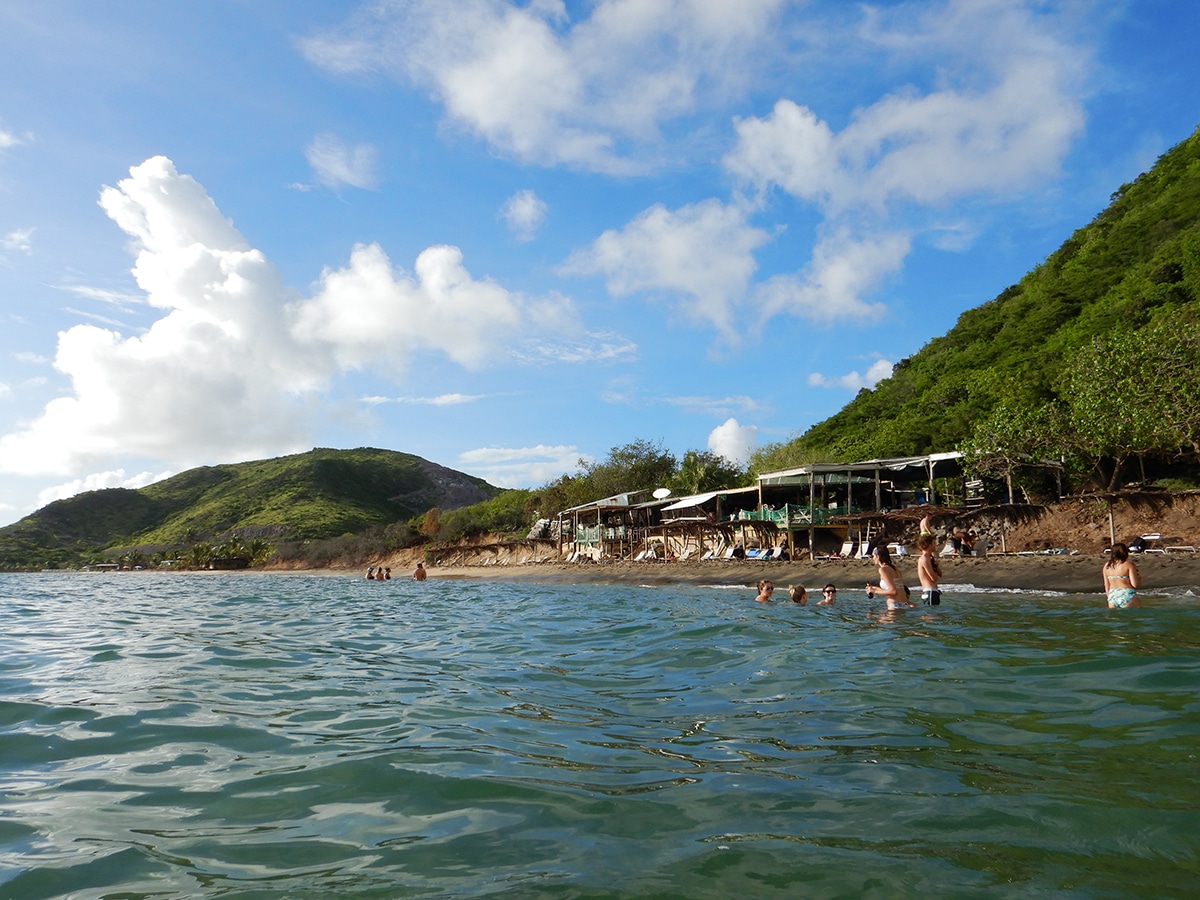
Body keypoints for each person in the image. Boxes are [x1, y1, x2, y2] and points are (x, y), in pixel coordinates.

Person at [866, 545, 913, 609]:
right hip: (905, 604)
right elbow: (896, 588)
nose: (873, 558)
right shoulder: (896, 569)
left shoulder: (883, 569)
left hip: (895, 604)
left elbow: (893, 591)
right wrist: (874, 589)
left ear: (878, 556)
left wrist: (875, 591)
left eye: (873, 556)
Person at [1102, 543, 1140, 608]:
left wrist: (1110, 598)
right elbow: (1135, 584)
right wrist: (1139, 578)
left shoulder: (1106, 566)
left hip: (1112, 595)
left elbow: (1106, 584)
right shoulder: (1128, 565)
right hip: (1126, 594)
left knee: (1115, 617)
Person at [915, 532, 942, 605]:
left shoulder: (929, 558)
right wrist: (935, 569)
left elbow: (940, 574)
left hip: (933, 591)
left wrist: (936, 566)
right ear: (929, 545)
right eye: (934, 543)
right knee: (931, 615)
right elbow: (933, 578)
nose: (935, 545)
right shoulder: (924, 559)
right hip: (930, 591)